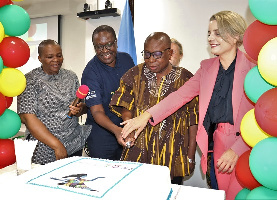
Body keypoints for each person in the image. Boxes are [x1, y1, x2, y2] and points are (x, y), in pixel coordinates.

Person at [120, 11, 256, 200]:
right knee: (223, 196)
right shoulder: (207, 68)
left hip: (248, 144)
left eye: (217, 33)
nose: (210, 38)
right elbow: (179, 96)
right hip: (216, 144)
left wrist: (237, 149)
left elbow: (260, 116)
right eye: (209, 33)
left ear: (235, 36)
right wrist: (145, 116)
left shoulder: (254, 68)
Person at [109, 32, 198, 185]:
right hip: (139, 150)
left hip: (173, 153)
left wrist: (190, 155)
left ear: (170, 53)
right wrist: (129, 127)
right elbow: (125, 103)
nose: (151, 60)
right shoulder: (134, 74)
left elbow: (193, 118)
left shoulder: (186, 78)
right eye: (147, 54)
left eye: (157, 54)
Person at [17, 39, 91, 165]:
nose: (56, 60)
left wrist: (80, 109)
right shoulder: (30, 80)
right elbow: (28, 118)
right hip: (44, 147)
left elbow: (82, 106)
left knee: (73, 181)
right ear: (40, 58)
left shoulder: (71, 76)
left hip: (74, 142)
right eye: (50, 57)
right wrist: (57, 145)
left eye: (59, 55)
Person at [81, 25, 135, 160]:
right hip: (102, 135)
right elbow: (97, 111)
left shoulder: (127, 60)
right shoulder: (90, 72)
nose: (104, 50)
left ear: (116, 43)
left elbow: (133, 94)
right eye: (99, 47)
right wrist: (117, 131)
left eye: (109, 45)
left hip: (127, 127)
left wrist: (128, 127)